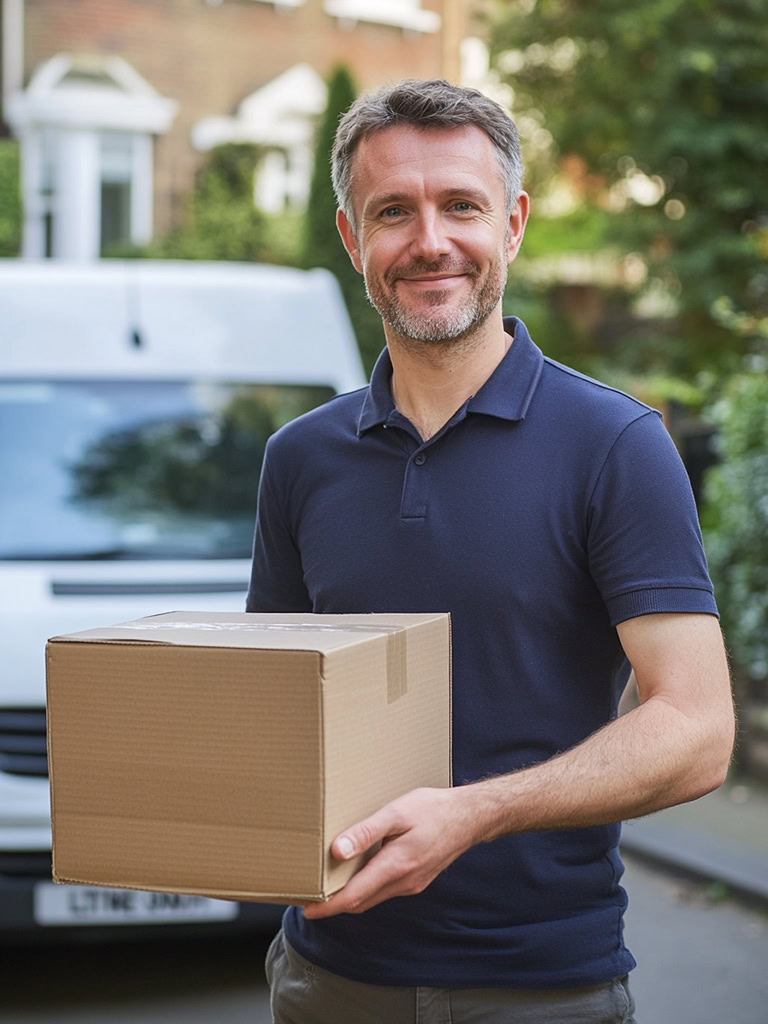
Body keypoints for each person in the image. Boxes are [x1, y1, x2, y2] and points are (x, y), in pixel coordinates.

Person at [246, 79, 734, 1023]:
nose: (430, 241)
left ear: (510, 225)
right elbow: (276, 711)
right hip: (325, 981)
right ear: (353, 241)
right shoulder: (299, 460)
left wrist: (470, 814)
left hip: (540, 986)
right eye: (393, 211)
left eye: (460, 205)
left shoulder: (617, 444)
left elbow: (700, 733)